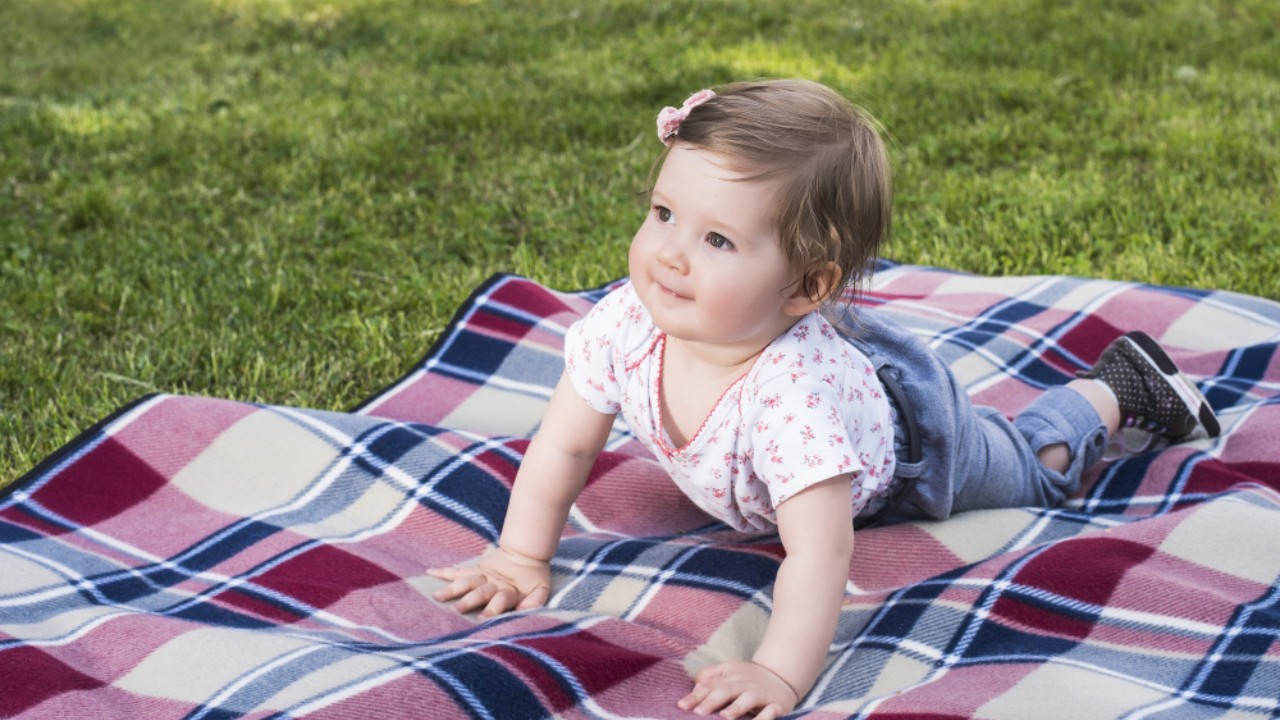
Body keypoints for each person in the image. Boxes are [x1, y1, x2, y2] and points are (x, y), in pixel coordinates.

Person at [428, 79, 1221, 719]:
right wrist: (521, 554)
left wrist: (777, 671)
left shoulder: (792, 401)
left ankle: (1113, 390)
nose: (669, 253)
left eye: (717, 241)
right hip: (824, 380)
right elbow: (565, 444)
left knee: (1030, 468)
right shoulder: (624, 326)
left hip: (913, 445)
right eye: (664, 213)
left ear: (808, 287)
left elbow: (819, 553)